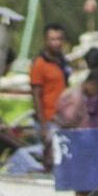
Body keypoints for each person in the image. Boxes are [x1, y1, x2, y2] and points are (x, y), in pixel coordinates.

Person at [28, 23, 73, 168]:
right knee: (51, 157)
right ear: (45, 41)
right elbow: (36, 95)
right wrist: (42, 125)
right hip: (48, 119)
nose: (56, 43)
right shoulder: (40, 64)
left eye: (59, 39)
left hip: (63, 118)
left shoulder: (62, 61)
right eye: (52, 39)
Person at [54, 66, 98, 131]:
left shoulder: (77, 92)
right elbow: (69, 119)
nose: (96, 94)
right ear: (93, 84)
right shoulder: (77, 97)